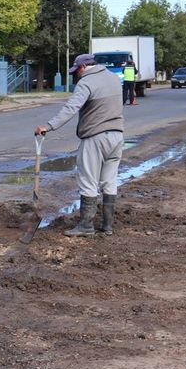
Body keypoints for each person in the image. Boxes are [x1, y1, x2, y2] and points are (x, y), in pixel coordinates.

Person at [35, 53, 124, 237]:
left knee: (88, 180)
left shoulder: (86, 82)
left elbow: (70, 108)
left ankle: (86, 226)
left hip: (95, 137)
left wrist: (49, 126)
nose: (76, 75)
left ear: (83, 67)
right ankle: (107, 225)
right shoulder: (113, 78)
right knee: (109, 180)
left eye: (76, 71)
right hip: (117, 136)